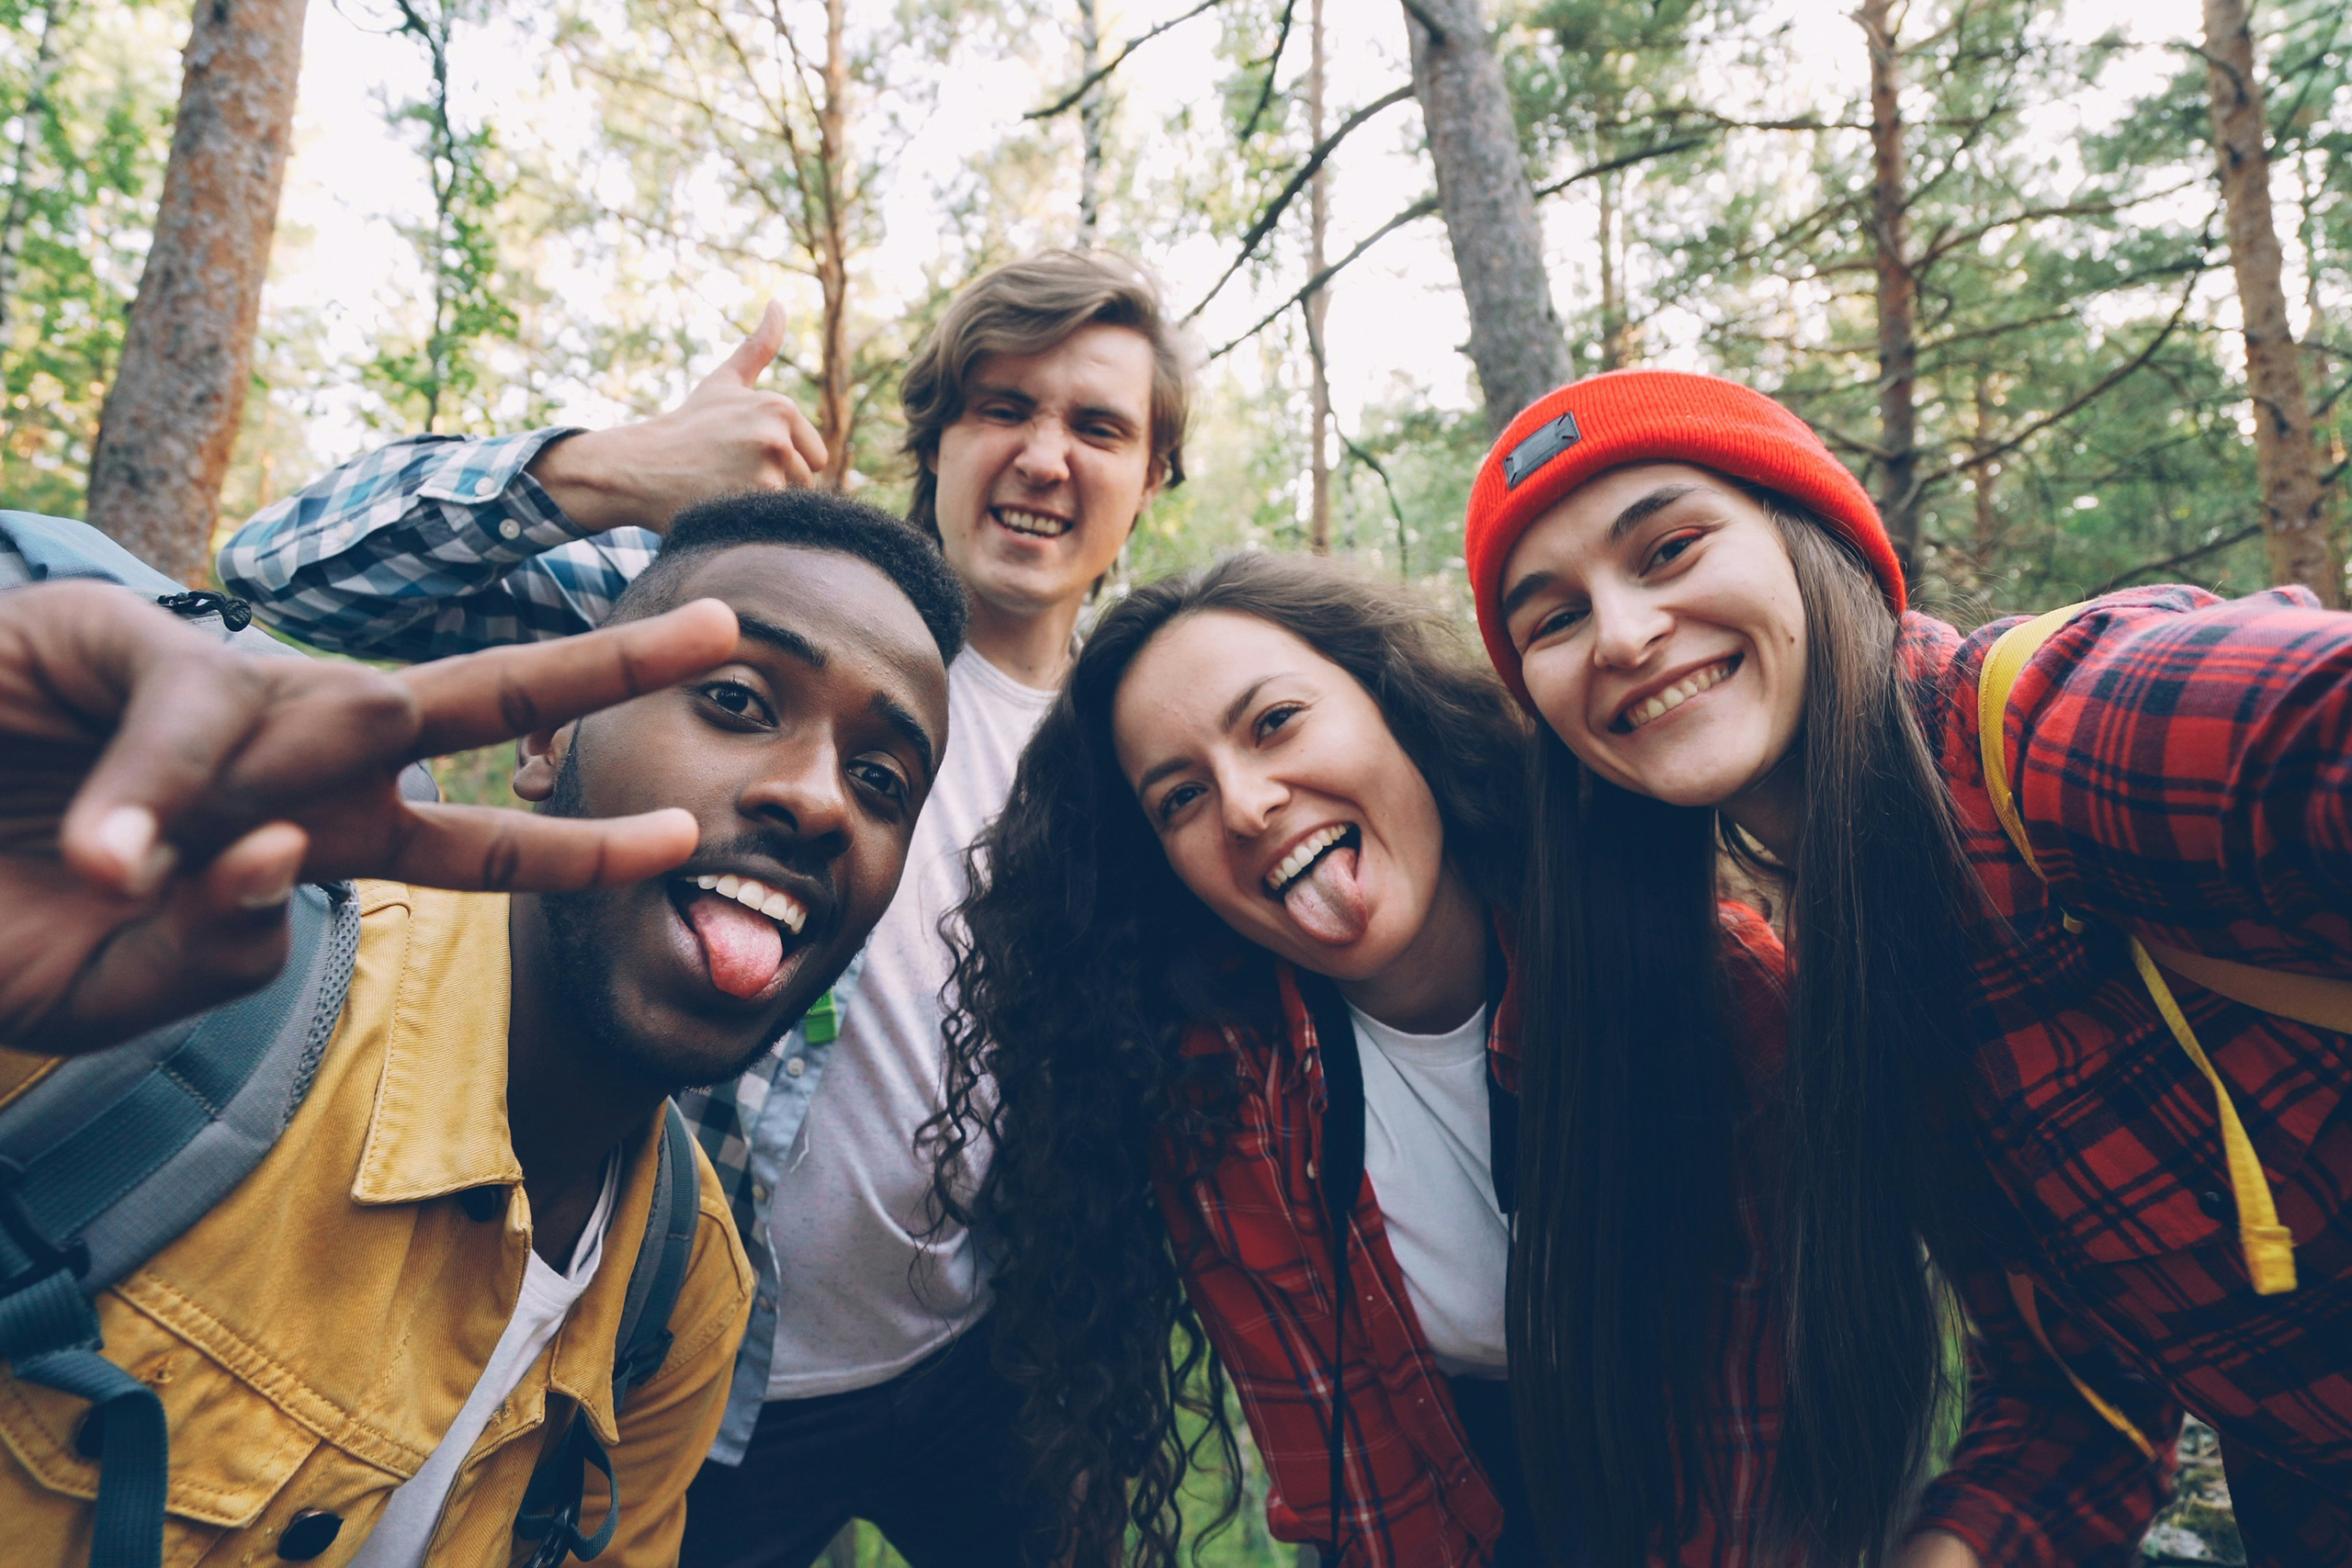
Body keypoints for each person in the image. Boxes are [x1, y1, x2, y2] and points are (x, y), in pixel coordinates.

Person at [216, 248, 1190, 1567]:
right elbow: (286, 570)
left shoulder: (1143, 751)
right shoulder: (756, 620)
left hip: (982, 1365)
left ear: (1151, 477)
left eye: (1098, 425)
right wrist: (612, 468)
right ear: (937, 439)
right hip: (690, 1374)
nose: (1044, 456)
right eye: (1002, 406)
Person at [1464, 369, 2352, 1568]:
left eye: (1669, 547)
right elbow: (2072, 1389)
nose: (1621, 634)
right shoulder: (1839, 961)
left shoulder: (2056, 729)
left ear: (1813, 542)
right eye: (1552, 618)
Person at [0, 490, 964, 1565]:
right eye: (736, 701)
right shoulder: (179, 980)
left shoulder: (687, 1296)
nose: (823, 802)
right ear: (551, 737)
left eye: (882, 779)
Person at [928, 551, 1794, 1568]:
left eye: (1274, 723)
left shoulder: (1705, 986)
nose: (1246, 805)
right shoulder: (1214, 1096)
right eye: (1179, 798)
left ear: (1396, 707)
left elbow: (1765, 1439)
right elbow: (1353, 1492)